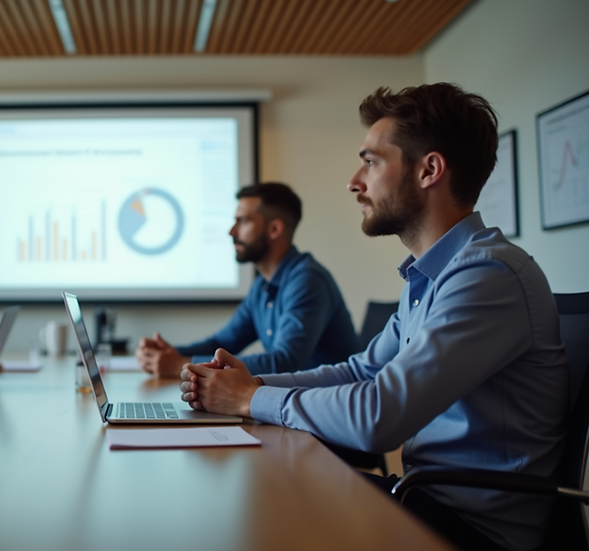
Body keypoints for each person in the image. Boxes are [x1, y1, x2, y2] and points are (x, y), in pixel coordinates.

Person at [179, 83, 568, 551]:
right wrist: (254, 389)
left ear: (429, 170)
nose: (354, 182)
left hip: (471, 530)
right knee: (253, 495)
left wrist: (248, 400)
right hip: (425, 500)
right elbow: (360, 370)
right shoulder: (434, 276)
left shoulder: (488, 276)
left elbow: (380, 417)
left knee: (256, 509)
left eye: (370, 161)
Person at [135, 182, 359, 378]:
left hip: (323, 412)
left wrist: (181, 366)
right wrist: (171, 354)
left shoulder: (308, 280)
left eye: (242, 221)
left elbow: (284, 362)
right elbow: (224, 343)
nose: (232, 231)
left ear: (274, 229)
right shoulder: (262, 285)